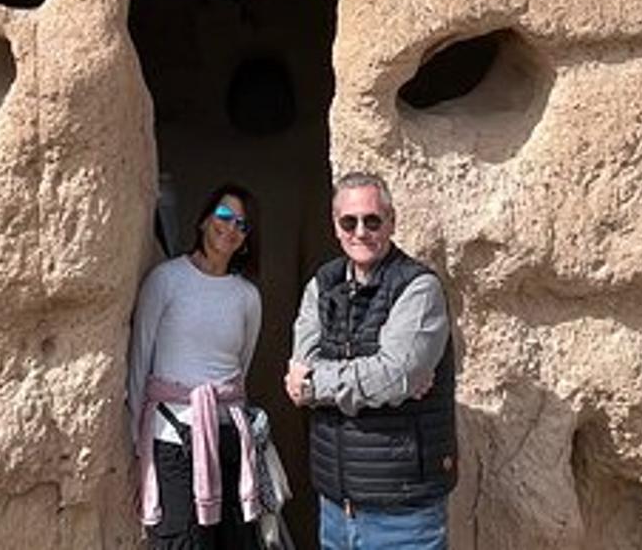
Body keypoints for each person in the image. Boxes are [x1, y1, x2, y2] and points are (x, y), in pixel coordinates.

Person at [285, 172, 455, 550]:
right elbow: (301, 363)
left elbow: (395, 374)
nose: (360, 232)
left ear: (391, 222)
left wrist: (316, 385)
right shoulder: (322, 285)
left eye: (372, 221)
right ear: (336, 225)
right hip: (336, 509)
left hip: (403, 516)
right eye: (350, 222)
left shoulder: (418, 287)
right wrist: (371, 380)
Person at [129, 183, 266, 549]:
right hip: (172, 438)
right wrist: (135, 444)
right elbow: (140, 362)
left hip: (228, 438)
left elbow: (241, 368)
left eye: (242, 224)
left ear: (247, 239)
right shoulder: (166, 280)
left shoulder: (247, 297)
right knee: (181, 541)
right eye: (224, 215)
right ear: (204, 220)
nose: (230, 227)